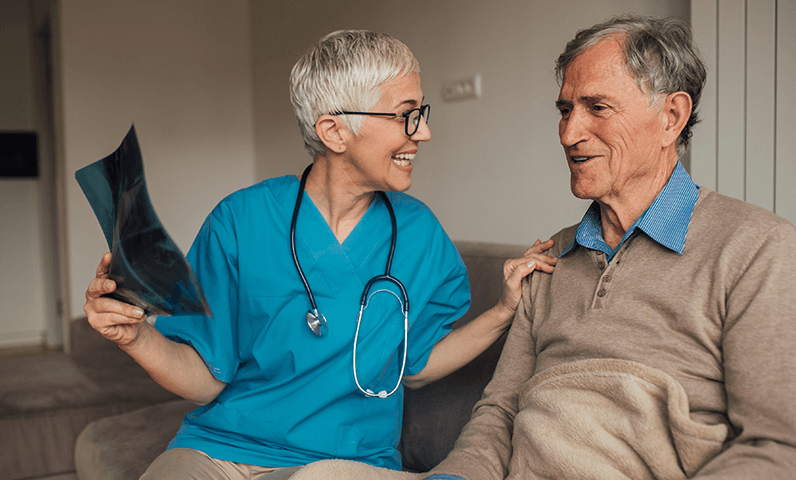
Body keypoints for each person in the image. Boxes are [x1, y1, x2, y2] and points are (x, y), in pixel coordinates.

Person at [83, 30, 555, 480]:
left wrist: (503, 311)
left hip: (341, 461)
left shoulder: (419, 236)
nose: (424, 132)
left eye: (422, 112)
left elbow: (416, 367)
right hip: (219, 450)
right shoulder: (240, 221)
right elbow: (206, 379)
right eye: (406, 114)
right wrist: (134, 337)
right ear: (334, 131)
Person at [418, 15, 796, 480]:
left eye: (597, 107)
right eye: (564, 110)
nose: (568, 133)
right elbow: (499, 415)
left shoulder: (758, 248)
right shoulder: (552, 254)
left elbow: (777, 447)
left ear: (671, 118)